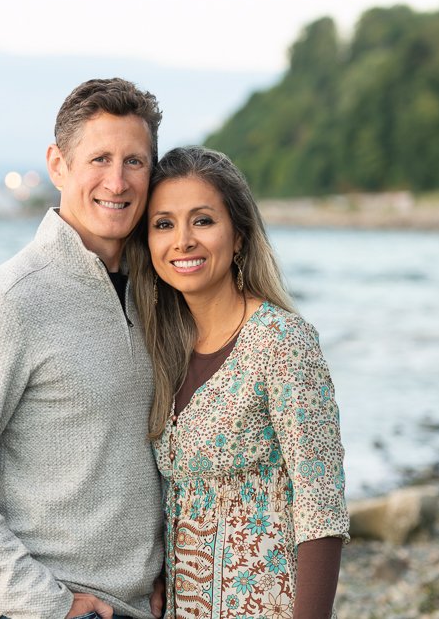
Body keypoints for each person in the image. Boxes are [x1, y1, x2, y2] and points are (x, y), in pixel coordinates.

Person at [0, 78, 166, 619]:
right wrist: (46, 605)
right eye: (99, 158)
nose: (117, 182)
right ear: (58, 165)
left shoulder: (156, 297)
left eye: (135, 162)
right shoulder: (4, 303)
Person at [127, 146, 349, 619]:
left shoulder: (282, 342)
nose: (182, 241)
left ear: (240, 237)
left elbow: (321, 508)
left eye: (202, 221)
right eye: (163, 224)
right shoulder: (163, 353)